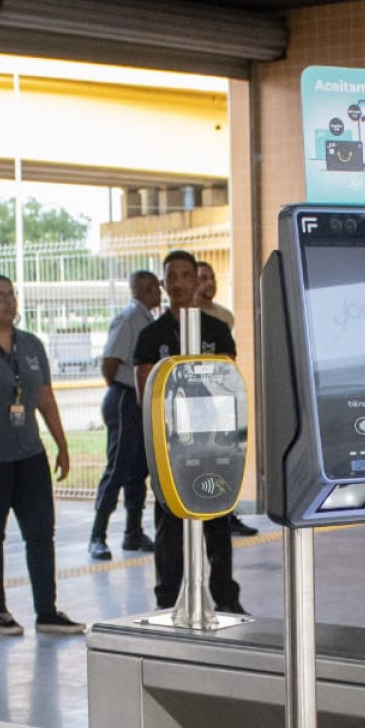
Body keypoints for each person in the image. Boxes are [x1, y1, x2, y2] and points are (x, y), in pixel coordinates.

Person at [0, 274, 85, 637]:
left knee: (41, 533)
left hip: (29, 454)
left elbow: (45, 399)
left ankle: (47, 611)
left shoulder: (31, 345)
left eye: (12, 295)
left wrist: (62, 445)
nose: (9, 302)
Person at [133, 249, 245, 614]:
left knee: (217, 521)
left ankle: (226, 598)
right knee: (169, 524)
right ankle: (168, 600)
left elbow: (227, 381)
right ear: (163, 283)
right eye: (172, 276)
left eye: (186, 275)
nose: (179, 282)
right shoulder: (151, 335)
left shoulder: (216, 330)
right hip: (171, 446)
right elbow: (147, 392)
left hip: (213, 442)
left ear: (198, 280)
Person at [88, 269, 159, 560]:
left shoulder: (146, 318)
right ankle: (98, 535)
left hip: (139, 400)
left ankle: (133, 533)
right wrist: (121, 389)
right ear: (144, 289)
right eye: (155, 288)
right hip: (124, 398)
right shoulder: (130, 318)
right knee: (118, 467)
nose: (160, 293)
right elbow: (110, 361)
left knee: (138, 468)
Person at [196, 259, 258, 537]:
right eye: (203, 278)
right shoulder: (183, 317)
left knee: (223, 456)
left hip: (219, 399)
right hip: (194, 403)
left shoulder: (224, 317)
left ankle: (225, 513)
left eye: (212, 277)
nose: (210, 283)